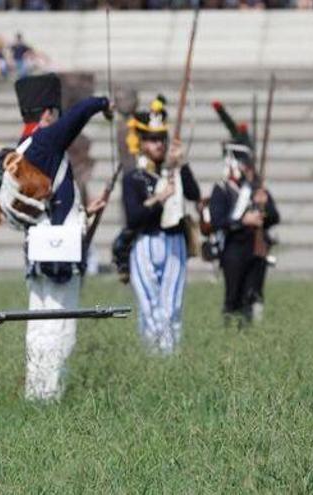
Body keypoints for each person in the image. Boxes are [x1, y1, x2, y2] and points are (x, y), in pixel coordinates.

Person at [0, 73, 110, 401]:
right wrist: (102, 103)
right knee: (60, 326)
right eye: (57, 113)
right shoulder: (44, 142)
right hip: (60, 252)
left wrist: (85, 211)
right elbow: (81, 113)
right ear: (48, 113)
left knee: (39, 324)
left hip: (40, 249)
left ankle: (38, 391)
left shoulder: (26, 147)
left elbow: (50, 204)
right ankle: (48, 395)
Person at [121, 96, 200, 354]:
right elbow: (134, 216)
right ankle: (154, 355)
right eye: (153, 140)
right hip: (145, 242)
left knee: (171, 304)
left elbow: (194, 194)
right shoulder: (134, 177)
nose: (158, 144)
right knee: (149, 304)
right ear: (142, 142)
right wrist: (158, 199)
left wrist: (181, 162)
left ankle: (168, 357)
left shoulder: (174, 171)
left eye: (161, 139)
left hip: (174, 241)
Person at [208, 101, 280, 325]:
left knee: (253, 297)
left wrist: (264, 205)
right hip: (233, 249)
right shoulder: (221, 190)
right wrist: (241, 220)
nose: (246, 167)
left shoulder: (256, 188)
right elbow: (218, 221)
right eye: (242, 162)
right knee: (233, 299)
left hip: (256, 250)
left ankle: (249, 334)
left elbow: (274, 218)